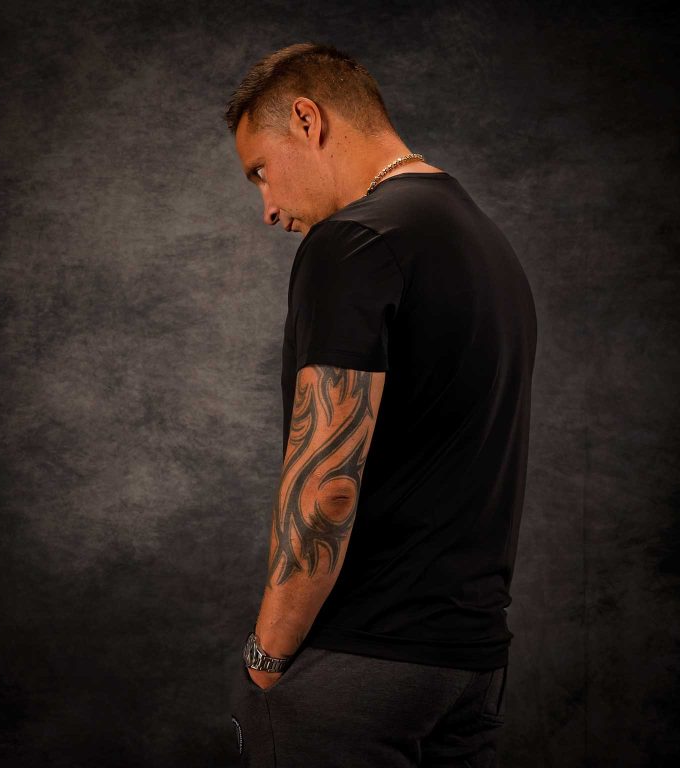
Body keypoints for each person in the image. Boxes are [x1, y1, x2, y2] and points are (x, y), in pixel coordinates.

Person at [223, 42, 537, 768]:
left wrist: (266, 660)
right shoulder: (484, 240)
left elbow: (326, 490)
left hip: (357, 668)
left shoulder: (354, 241)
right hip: (468, 663)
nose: (268, 209)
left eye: (260, 171)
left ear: (307, 120)